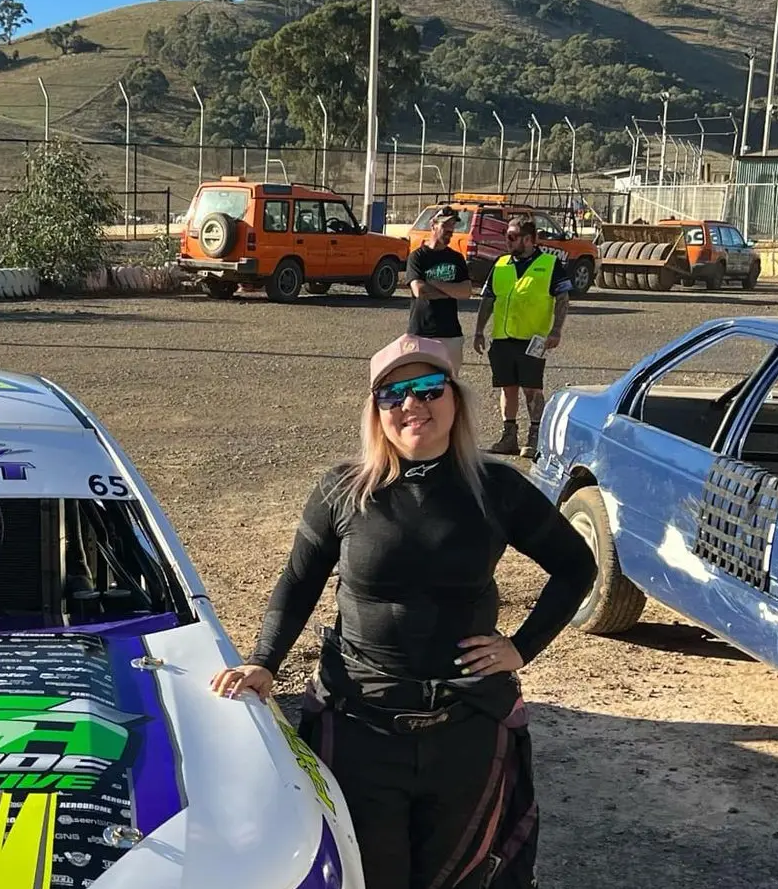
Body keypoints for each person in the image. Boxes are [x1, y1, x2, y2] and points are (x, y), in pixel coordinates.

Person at [210, 333, 596, 889]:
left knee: (460, 874)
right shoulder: (343, 490)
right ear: (376, 411)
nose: (411, 405)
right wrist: (264, 662)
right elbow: (298, 581)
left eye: (427, 388)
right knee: (367, 875)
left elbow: (576, 565)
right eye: (392, 395)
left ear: (455, 399)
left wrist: (521, 646)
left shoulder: (495, 488)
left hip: (465, 724)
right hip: (360, 723)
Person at [472, 216, 572, 458]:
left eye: (512, 237)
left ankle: (535, 436)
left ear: (528, 239)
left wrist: (556, 329)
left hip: (533, 339)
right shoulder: (501, 264)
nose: (507, 241)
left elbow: (562, 299)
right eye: (507, 236)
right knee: (508, 388)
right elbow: (488, 299)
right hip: (503, 338)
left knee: (532, 388)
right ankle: (509, 436)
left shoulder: (550, 264)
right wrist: (478, 330)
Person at [406, 205, 473, 375]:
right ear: (433, 225)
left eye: (452, 226)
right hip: (421, 332)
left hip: (450, 333)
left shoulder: (456, 258)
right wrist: (451, 291)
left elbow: (466, 291)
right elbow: (419, 291)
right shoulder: (418, 257)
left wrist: (433, 282)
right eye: (445, 226)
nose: (450, 230)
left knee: (450, 384)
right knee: (420, 382)